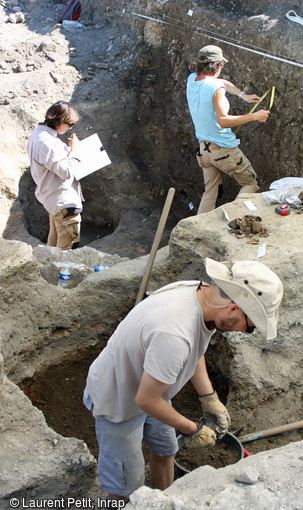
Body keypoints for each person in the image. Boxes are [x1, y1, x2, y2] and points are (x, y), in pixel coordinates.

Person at [83, 257, 283, 503]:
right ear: (234, 309)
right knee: (127, 488)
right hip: (118, 400)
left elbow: (193, 346)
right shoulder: (173, 332)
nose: (244, 332)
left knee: (166, 450)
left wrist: (209, 398)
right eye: (249, 327)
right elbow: (146, 399)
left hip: (153, 390)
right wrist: (192, 429)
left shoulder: (201, 295)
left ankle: (166, 500)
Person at [186, 45, 271, 214]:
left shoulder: (192, 79)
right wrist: (254, 116)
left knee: (210, 192)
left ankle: (200, 230)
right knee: (251, 184)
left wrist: (242, 95)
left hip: (204, 151)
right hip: (223, 149)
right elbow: (223, 121)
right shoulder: (215, 89)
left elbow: (221, 82)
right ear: (218, 65)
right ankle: (232, 221)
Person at [27, 101, 84, 250]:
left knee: (52, 248)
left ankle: (48, 272)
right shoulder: (46, 143)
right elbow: (65, 171)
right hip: (63, 201)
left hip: (54, 201)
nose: (70, 128)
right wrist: (75, 151)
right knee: (68, 250)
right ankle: (59, 273)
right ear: (60, 121)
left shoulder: (38, 135)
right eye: (70, 124)